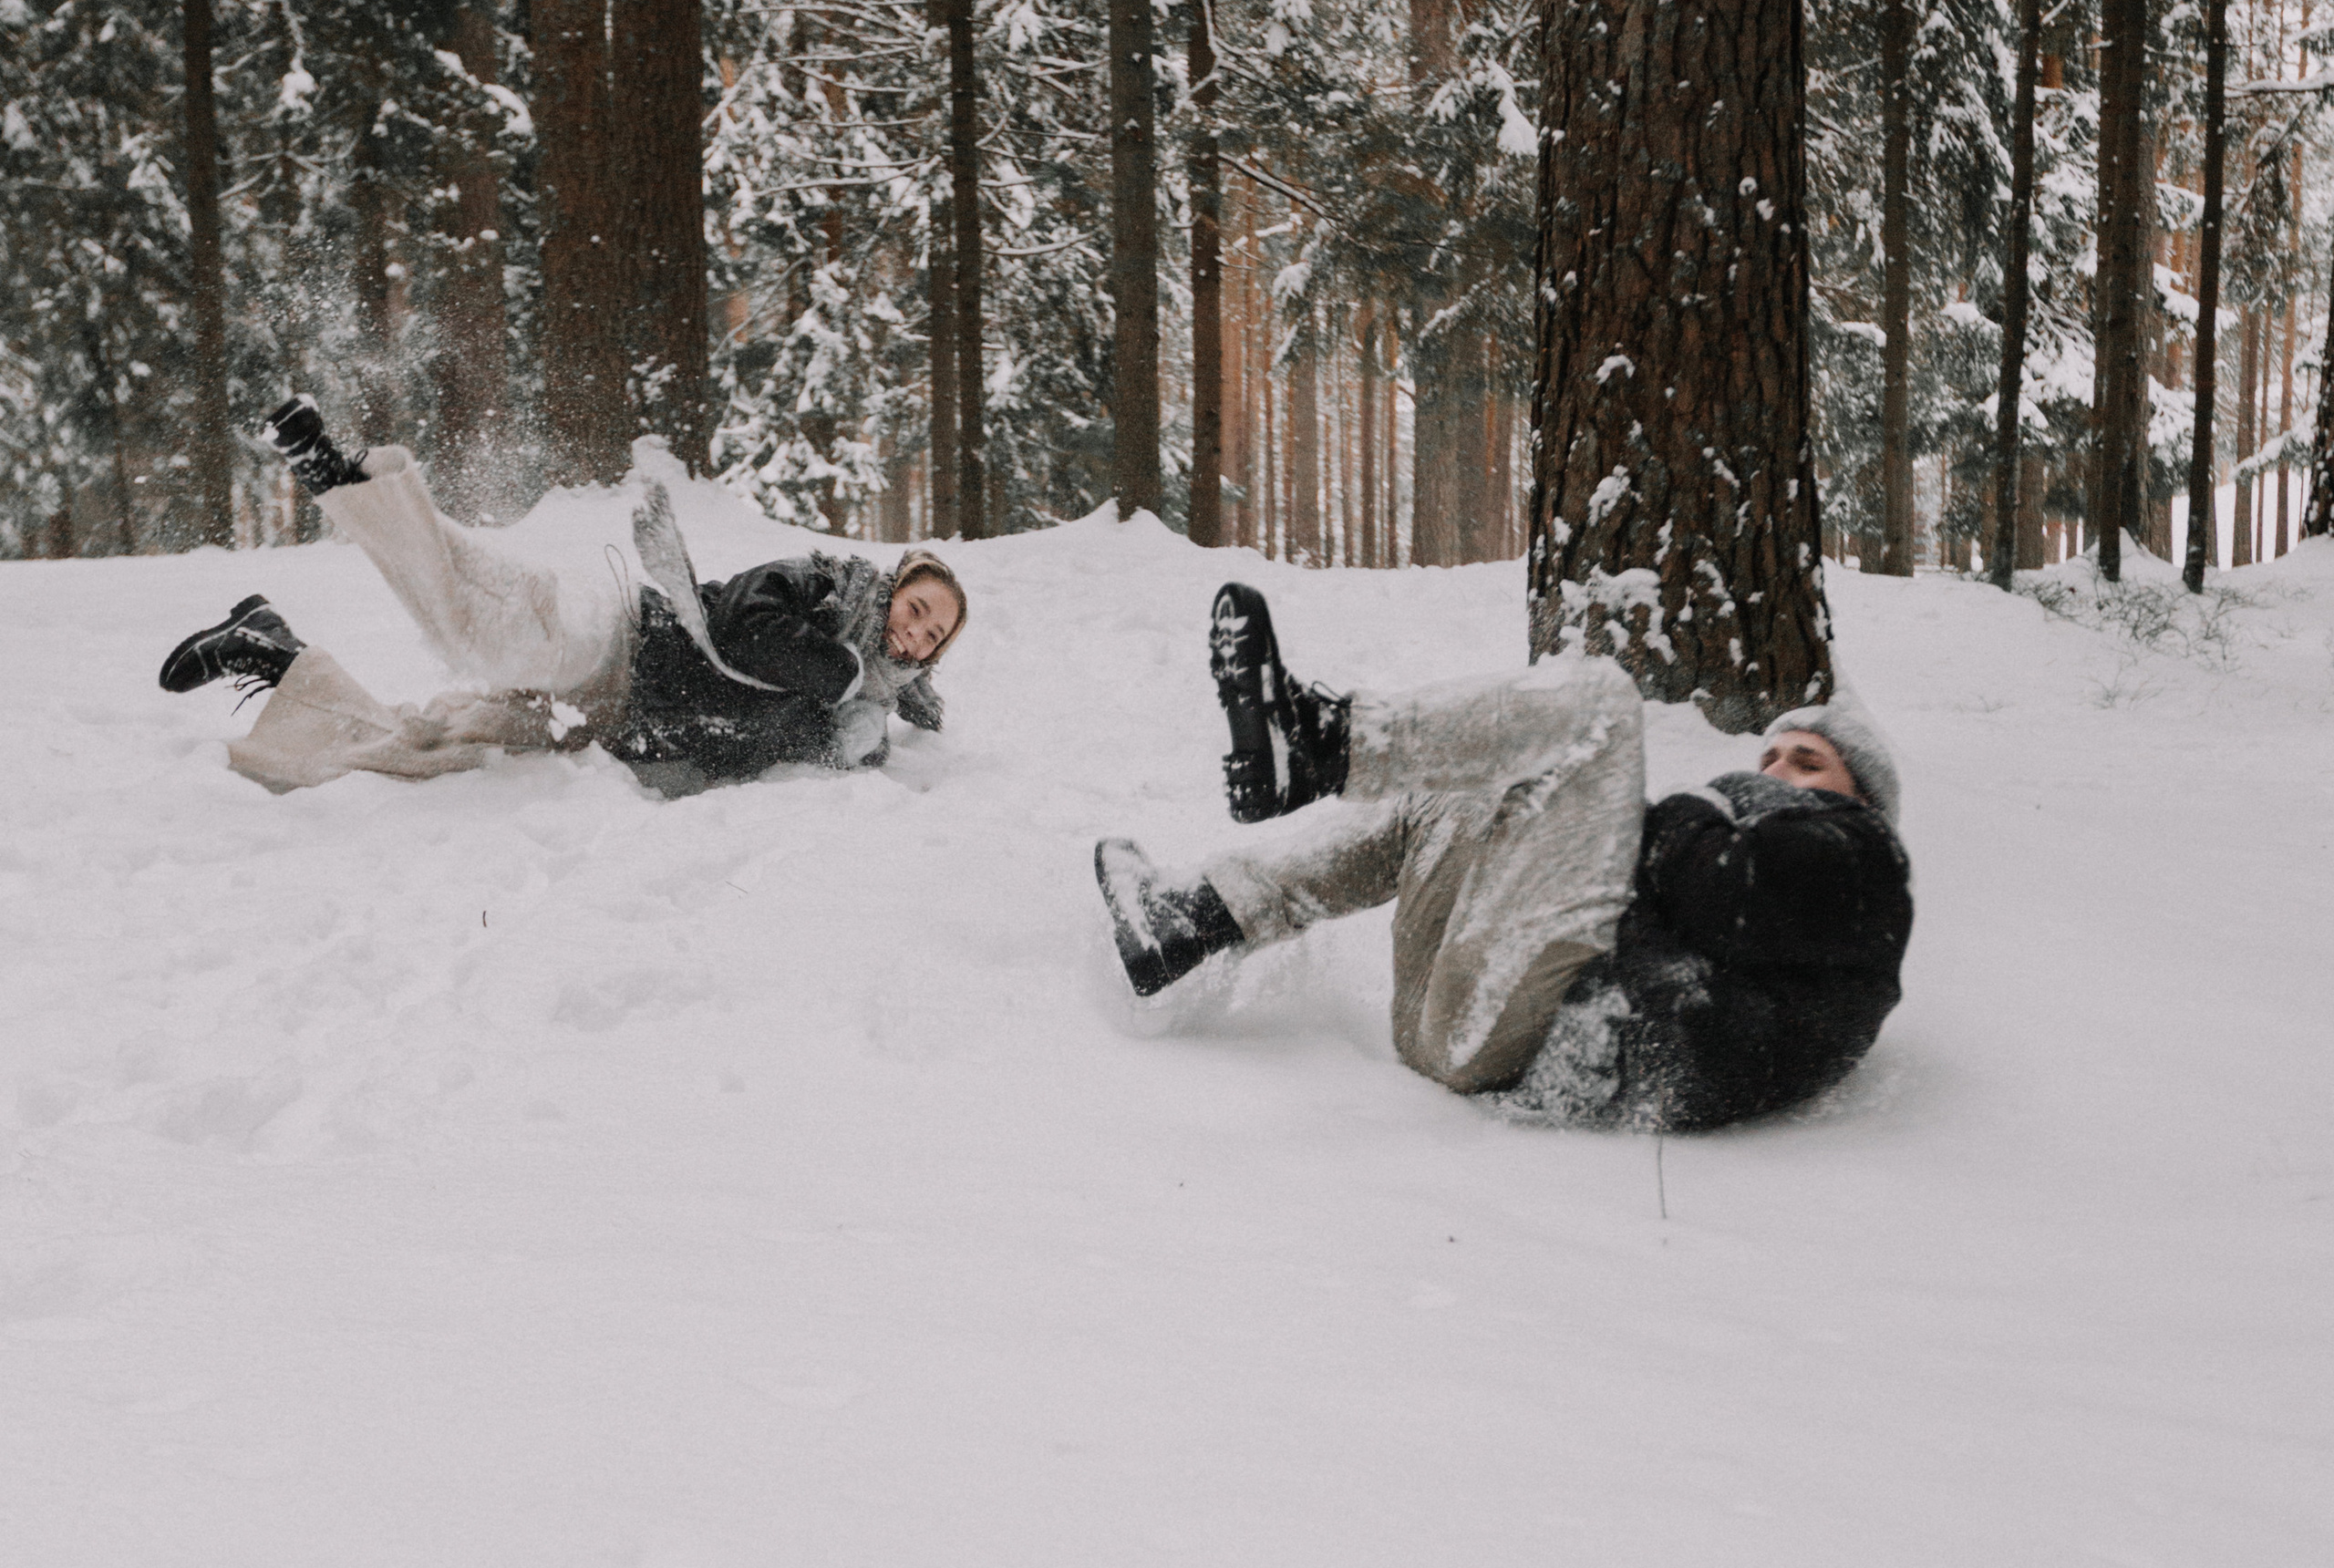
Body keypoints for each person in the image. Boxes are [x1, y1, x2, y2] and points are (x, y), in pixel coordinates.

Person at [1093, 584, 1913, 1130]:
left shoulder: (1862, 865)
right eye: (1772, 757)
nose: (1775, 772)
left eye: (1808, 763)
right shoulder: (1745, 843)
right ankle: (1193, 918)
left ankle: (1325, 744)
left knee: (1599, 701)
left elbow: (1716, 894)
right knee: (1461, 787)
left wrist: (1684, 809)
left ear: (1865, 801)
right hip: (1467, 1026)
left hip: (1554, 1047)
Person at [158, 398, 967, 799]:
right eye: (918, 605)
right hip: (618, 640)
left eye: (933, 636)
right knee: (487, 624)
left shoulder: (860, 708)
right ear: (897, 585)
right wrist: (849, 681)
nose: (917, 630)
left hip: (607, 724)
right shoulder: (824, 586)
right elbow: (744, 631)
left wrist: (859, 721)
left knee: (425, 753)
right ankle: (345, 478)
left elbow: (751, 746)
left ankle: (276, 652)